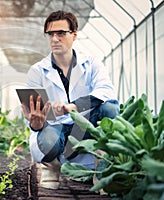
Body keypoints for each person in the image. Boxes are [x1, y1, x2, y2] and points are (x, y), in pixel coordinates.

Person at [21, 10, 120, 189]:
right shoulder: (37, 71)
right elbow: (33, 116)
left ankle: (102, 167)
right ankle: (52, 166)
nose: (55, 39)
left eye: (61, 33)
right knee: (47, 137)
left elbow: (106, 91)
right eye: (50, 34)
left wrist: (72, 106)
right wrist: (37, 123)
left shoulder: (91, 64)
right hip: (57, 130)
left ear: (74, 35)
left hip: (86, 128)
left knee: (110, 108)